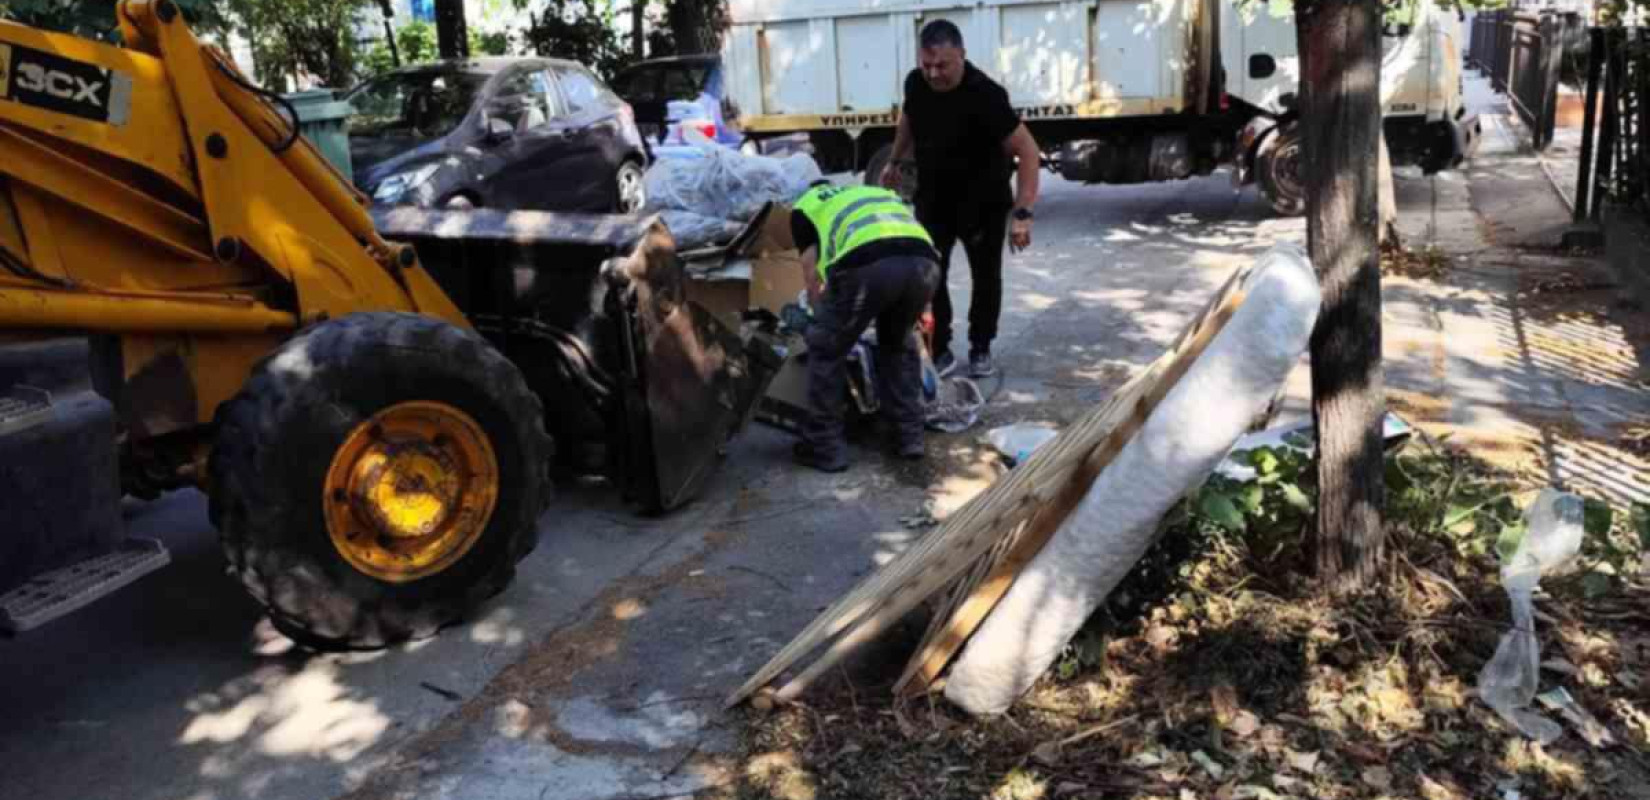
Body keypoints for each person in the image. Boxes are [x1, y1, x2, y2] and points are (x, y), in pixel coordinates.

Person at [881, 19, 1041, 379]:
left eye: (943, 66)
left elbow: (1029, 152)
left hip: (983, 203)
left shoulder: (986, 95)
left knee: (986, 277)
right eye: (927, 65)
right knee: (928, 275)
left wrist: (1023, 212)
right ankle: (939, 347)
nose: (933, 74)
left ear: (962, 56)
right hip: (934, 199)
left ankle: (981, 344)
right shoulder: (915, 83)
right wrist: (895, 159)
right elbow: (908, 117)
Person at [791, 182, 941, 473]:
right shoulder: (872, 193)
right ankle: (908, 436)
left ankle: (824, 448)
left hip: (868, 263)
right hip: (925, 262)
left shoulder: (805, 206)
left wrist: (818, 321)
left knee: (826, 350)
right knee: (896, 344)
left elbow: (812, 278)